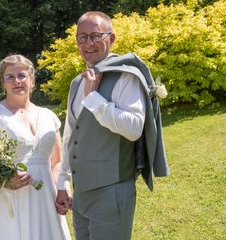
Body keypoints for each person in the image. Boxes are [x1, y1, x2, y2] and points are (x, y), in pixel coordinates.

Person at [55, 11, 169, 240]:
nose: (88, 43)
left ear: (112, 38)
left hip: (111, 191)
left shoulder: (126, 77)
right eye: (82, 37)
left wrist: (95, 99)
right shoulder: (77, 82)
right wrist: (62, 181)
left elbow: (134, 128)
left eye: (96, 35)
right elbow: (70, 134)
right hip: (81, 193)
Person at [0, 54, 71, 240]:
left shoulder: (48, 116)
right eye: (10, 77)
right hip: (5, 201)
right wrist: (2, 181)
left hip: (44, 200)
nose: (17, 81)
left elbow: (56, 162)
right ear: (2, 83)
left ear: (32, 79)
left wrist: (63, 188)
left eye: (22, 76)